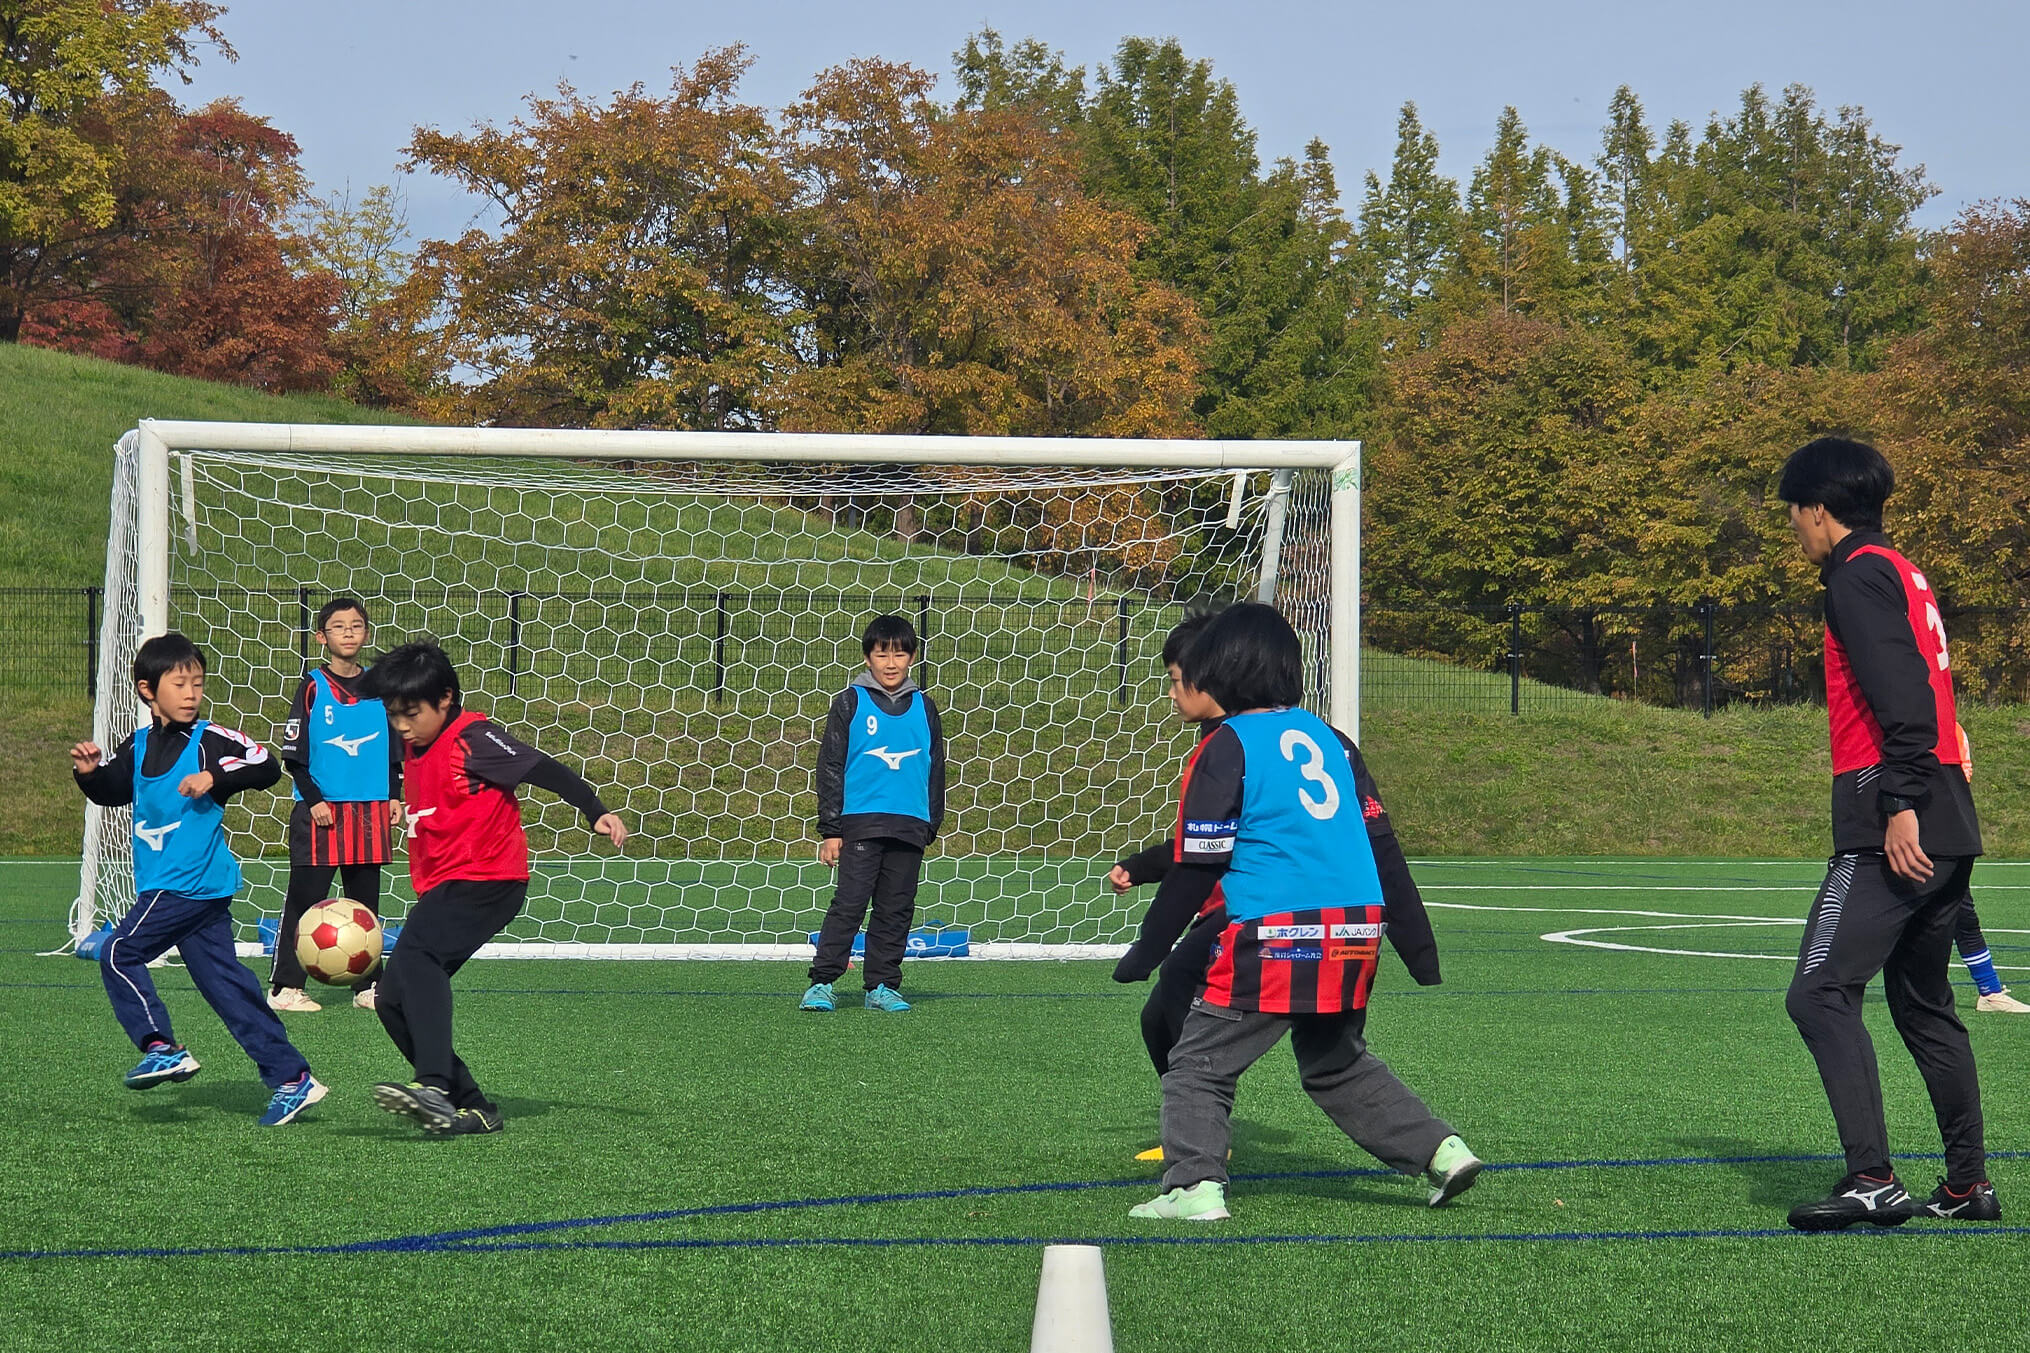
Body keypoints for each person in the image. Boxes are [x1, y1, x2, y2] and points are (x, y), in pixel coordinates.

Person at [1115, 603, 1477, 1221]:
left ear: (1224, 670)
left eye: (1190, 671)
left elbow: (1200, 863)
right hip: (1359, 930)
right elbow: (1382, 847)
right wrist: (1418, 947)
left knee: (1198, 1064)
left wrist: (1147, 949)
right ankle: (1441, 1150)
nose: (1182, 685)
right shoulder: (1330, 739)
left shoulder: (1227, 745)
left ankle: (1193, 1187)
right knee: (1335, 1061)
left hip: (1275, 932)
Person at [1777, 436, 1997, 1229]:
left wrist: (1898, 800)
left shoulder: (1853, 575)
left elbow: (1900, 690)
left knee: (1818, 992)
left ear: (1819, 509)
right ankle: (1967, 1183)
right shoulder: (1901, 568)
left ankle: (1872, 1178)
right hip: (1947, 805)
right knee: (1923, 1002)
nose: (1795, 532)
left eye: (1794, 516)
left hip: (1893, 811)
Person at [361, 640, 627, 1135]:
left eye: (411, 713)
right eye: (394, 713)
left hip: (489, 879)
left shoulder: (474, 738)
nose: (401, 724)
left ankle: (434, 1084)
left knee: (419, 957)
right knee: (390, 999)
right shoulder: (412, 740)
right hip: (443, 885)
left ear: (445, 699)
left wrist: (596, 811)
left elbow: (543, 768)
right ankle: (476, 1106)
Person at [69, 632, 326, 1126]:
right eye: (180, 684)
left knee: (119, 952)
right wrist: (89, 773)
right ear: (147, 690)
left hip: (187, 884)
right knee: (229, 990)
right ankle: (293, 1079)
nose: (192, 693)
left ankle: (161, 1046)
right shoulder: (138, 743)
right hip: (172, 887)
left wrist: (216, 778)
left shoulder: (211, 739)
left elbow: (267, 766)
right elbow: (111, 792)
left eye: (198, 683)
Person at [802, 615, 946, 1014]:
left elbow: (936, 767)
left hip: (909, 825)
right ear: (867, 658)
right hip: (861, 823)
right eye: (882, 654)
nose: (891, 663)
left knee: (896, 907)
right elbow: (830, 764)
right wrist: (831, 829)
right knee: (849, 903)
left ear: (912, 658)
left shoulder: (925, 707)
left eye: (899, 654)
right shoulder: (850, 702)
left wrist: (931, 822)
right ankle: (823, 982)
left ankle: (881, 985)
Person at [269, 596, 403, 1013]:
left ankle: (369, 985)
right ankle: (284, 987)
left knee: (365, 907)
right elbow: (293, 755)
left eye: (356, 625)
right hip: (322, 813)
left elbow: (394, 750)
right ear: (321, 637)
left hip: (370, 811)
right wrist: (314, 800)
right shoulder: (312, 686)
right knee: (305, 902)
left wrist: (395, 796)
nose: (349, 632)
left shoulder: (381, 688)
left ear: (366, 633)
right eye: (339, 626)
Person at [1948, 724, 2029, 1014]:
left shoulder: (1949, 727)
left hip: (1941, 828)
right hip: (1926, 830)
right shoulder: (1910, 718)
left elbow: (1959, 776)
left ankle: (1990, 991)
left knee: (1959, 912)